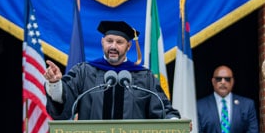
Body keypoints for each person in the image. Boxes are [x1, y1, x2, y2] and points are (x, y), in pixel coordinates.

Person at [44, 20, 180, 120]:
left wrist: (175, 122)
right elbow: (64, 100)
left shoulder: (144, 77)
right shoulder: (84, 72)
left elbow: (162, 109)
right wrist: (55, 83)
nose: (113, 46)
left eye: (119, 42)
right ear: (102, 42)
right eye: (109, 41)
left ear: (128, 46)